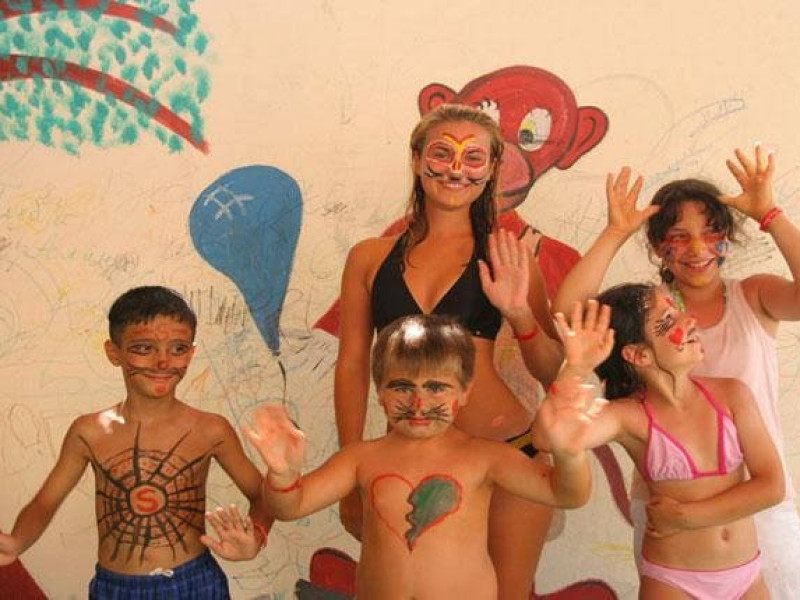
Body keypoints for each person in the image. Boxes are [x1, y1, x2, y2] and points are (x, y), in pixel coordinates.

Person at [334, 103, 564, 598]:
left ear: (491, 168)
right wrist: (350, 468)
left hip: (509, 452)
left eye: (473, 158)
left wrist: (520, 314)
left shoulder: (509, 255)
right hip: (406, 459)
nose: (456, 169)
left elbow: (552, 371)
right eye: (442, 153)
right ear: (417, 158)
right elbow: (352, 364)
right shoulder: (369, 258)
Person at [552, 145, 800, 597]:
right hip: (670, 511)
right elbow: (572, 317)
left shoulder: (753, 295)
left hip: (757, 500)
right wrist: (615, 232)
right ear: (658, 247)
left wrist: (770, 214)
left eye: (711, 232)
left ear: (727, 237)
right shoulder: (651, 312)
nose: (698, 248)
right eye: (679, 237)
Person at [245, 314, 592, 600]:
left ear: (465, 391)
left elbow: (567, 494)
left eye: (436, 387)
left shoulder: (486, 457)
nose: (419, 403)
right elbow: (289, 507)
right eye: (402, 387)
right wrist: (283, 476)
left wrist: (569, 453)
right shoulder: (361, 458)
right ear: (380, 392)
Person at [0, 286, 269, 599]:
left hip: (196, 582)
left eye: (178, 348)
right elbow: (46, 502)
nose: (163, 361)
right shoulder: (89, 431)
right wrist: (17, 541)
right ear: (114, 352)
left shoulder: (211, 429)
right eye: (144, 348)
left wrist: (256, 537)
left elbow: (263, 496)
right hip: (117, 588)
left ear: (191, 353)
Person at [537, 292, 784, 599]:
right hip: (675, 582)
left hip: (746, 577)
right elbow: (549, 438)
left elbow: (772, 487)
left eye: (678, 312)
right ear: (639, 355)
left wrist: (685, 517)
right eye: (668, 321)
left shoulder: (733, 395)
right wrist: (575, 367)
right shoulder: (629, 416)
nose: (689, 320)